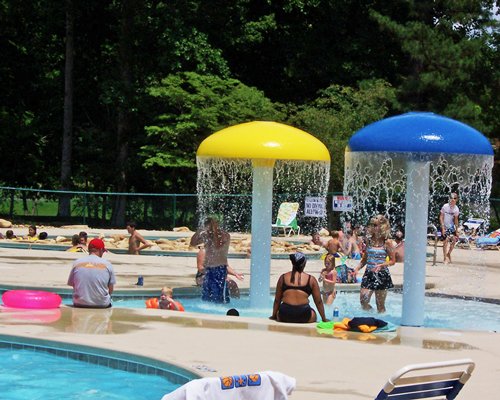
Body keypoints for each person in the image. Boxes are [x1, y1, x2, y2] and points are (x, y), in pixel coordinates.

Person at [352, 215, 395, 313]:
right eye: (372, 225)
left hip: (382, 275)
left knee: (380, 305)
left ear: (382, 226)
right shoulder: (369, 240)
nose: (373, 227)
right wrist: (357, 269)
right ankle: (371, 315)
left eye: (375, 225)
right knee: (363, 301)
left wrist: (382, 265)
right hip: (369, 274)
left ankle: (381, 321)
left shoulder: (387, 242)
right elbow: (364, 260)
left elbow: (393, 261)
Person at [270, 252, 328, 323]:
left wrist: (273, 316)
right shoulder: (311, 279)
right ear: (304, 264)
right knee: (313, 314)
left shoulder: (283, 278)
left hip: (284, 314)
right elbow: (318, 301)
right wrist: (324, 318)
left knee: (279, 313)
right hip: (303, 314)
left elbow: (277, 300)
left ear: (292, 263)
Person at [190, 217, 232, 303]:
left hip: (220, 269)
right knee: (207, 297)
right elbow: (192, 243)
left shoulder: (225, 235)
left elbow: (218, 246)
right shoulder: (206, 236)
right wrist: (199, 231)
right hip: (209, 270)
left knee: (220, 297)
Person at [67, 238, 116, 308]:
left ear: (88, 249)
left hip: (79, 303)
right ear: (101, 250)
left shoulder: (77, 262)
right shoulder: (107, 264)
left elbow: (73, 284)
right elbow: (110, 290)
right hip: (102, 304)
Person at [439, 193, 460, 264]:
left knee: (454, 239)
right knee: (446, 241)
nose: (453, 199)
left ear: (456, 199)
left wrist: (456, 230)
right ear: (449, 199)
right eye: (451, 198)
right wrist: (442, 228)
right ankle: (445, 258)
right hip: (444, 225)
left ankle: (448, 253)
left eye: (454, 198)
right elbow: (441, 217)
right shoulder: (445, 206)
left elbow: (456, 220)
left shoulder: (456, 209)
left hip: (451, 226)